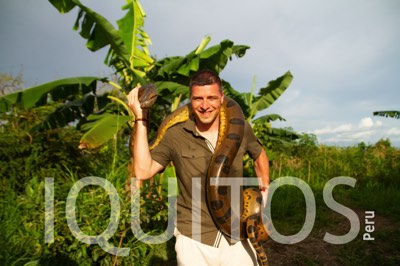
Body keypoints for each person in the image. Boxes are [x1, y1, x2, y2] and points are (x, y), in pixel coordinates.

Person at [128, 70, 270, 266]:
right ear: (190, 100)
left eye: (211, 98)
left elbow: (259, 155)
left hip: (238, 235)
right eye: (198, 99)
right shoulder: (175, 134)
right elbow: (143, 171)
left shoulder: (241, 128)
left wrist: (265, 194)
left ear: (222, 98)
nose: (205, 106)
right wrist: (141, 119)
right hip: (194, 238)